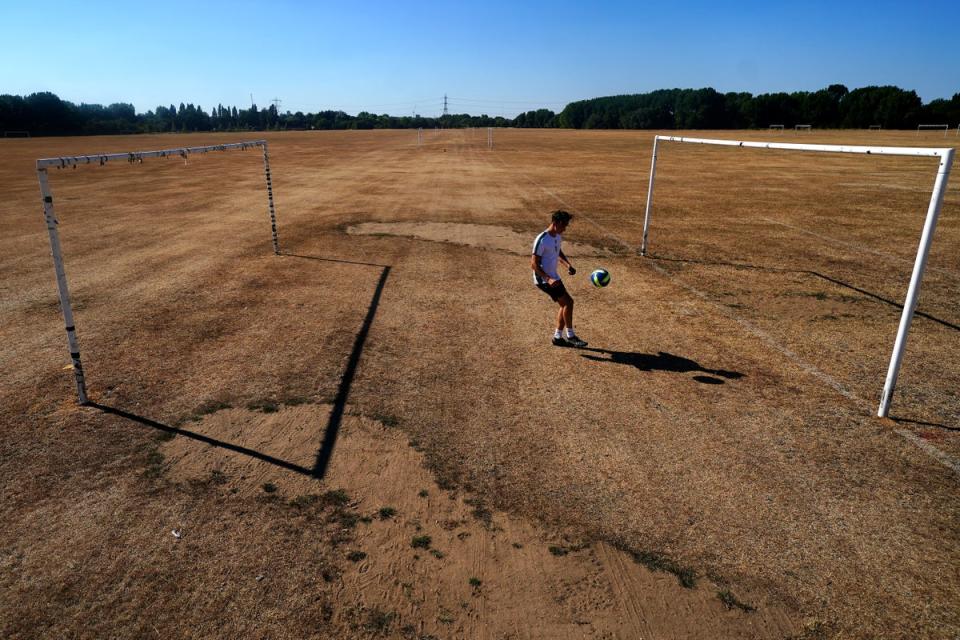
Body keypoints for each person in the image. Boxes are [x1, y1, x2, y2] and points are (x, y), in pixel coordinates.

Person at [531, 210, 587, 347]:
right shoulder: (542, 239)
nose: (565, 229)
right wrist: (548, 279)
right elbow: (533, 264)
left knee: (565, 304)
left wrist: (568, 265)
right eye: (563, 225)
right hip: (544, 279)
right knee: (568, 303)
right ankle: (571, 336)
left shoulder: (557, 236)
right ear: (555, 223)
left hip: (553, 277)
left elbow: (558, 252)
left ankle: (557, 337)